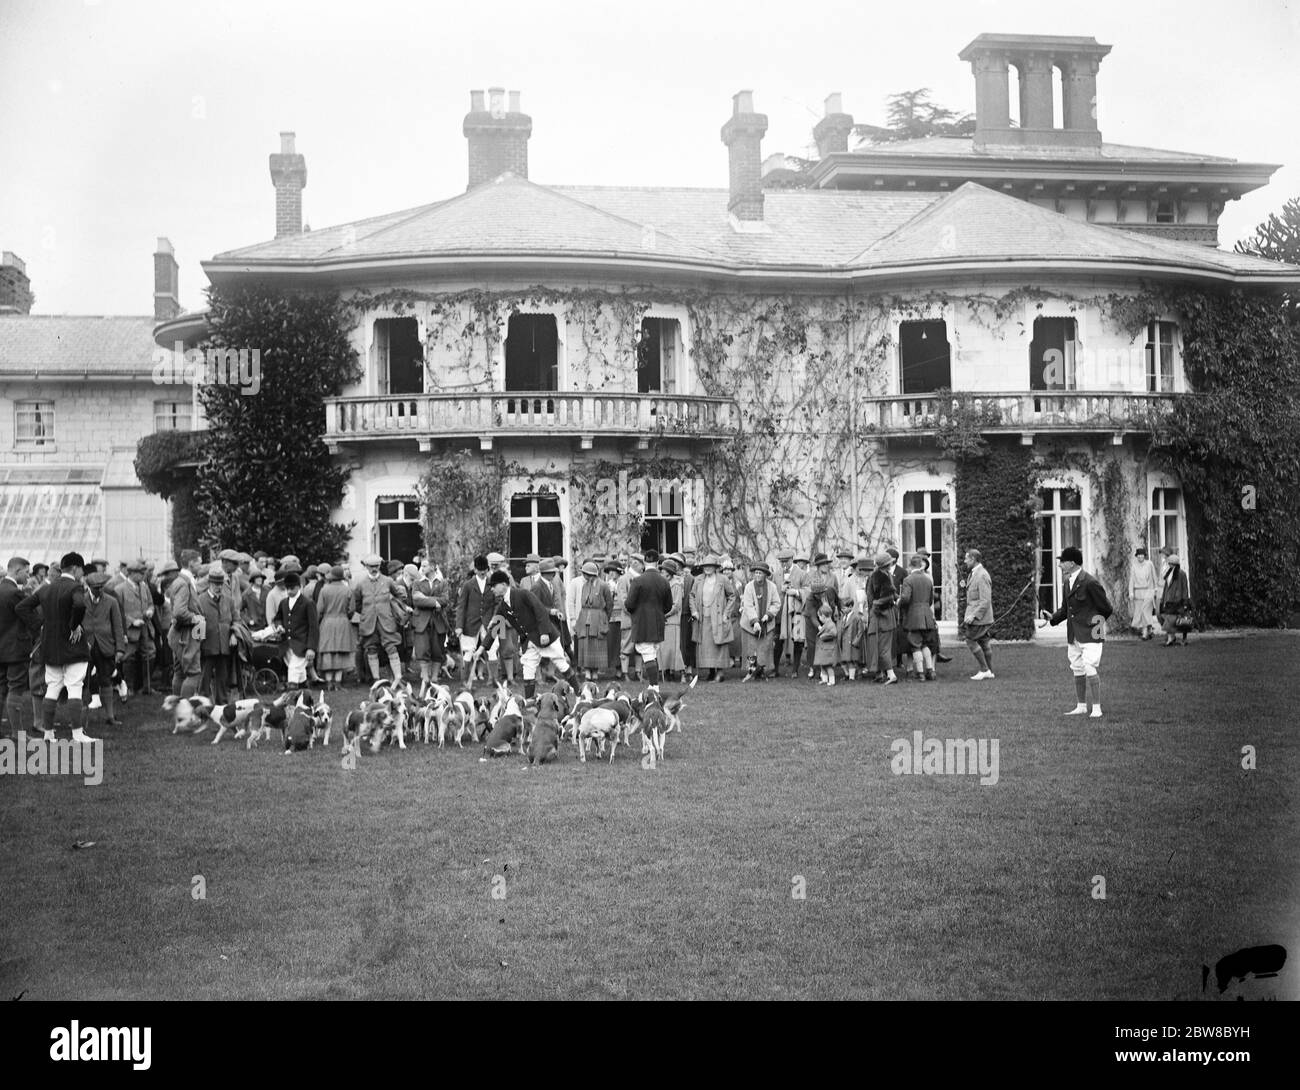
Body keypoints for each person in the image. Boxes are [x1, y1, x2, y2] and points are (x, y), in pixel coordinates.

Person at [15, 551, 93, 742]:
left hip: (50, 646)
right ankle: (77, 734)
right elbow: (80, 606)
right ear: (75, 568)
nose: (82, 574)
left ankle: (49, 734)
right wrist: (74, 626)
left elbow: (22, 607)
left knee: (52, 689)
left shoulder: (45, 588)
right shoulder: (75, 586)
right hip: (73, 646)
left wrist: (39, 626)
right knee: (74, 687)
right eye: (81, 570)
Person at [1048, 545, 1113, 717]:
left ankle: (1097, 708)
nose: (1060, 565)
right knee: (1077, 668)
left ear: (1071, 563)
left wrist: (1095, 627)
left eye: (1062, 562)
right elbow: (1065, 610)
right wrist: (1052, 619)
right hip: (1074, 634)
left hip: (1090, 632)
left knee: (1089, 666)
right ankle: (1081, 706)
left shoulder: (1090, 583)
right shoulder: (1067, 582)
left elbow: (1106, 608)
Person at [487, 569, 570, 699]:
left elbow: (540, 610)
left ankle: (578, 692)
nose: (492, 589)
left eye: (493, 586)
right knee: (528, 669)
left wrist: (544, 633)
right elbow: (495, 627)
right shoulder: (502, 605)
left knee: (561, 663)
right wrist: (481, 648)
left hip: (545, 635)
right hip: (528, 639)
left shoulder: (523, 593)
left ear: (503, 584)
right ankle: (529, 701)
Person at [353, 553, 408, 685]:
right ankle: (377, 680)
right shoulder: (361, 584)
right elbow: (357, 604)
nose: (374, 569)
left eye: (376, 566)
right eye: (371, 566)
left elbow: (399, 596)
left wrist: (394, 609)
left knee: (391, 647)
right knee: (371, 649)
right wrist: (367, 613)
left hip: (387, 622)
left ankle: (397, 678)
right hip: (369, 623)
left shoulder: (388, 581)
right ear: (366, 567)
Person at [82, 570, 127, 727]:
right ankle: (82, 720)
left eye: (101, 587)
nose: (99, 590)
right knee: (83, 682)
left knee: (106, 680)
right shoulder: (80, 600)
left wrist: (120, 648)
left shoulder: (111, 601)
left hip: (105, 646)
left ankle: (110, 716)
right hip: (85, 646)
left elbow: (118, 626)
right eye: (96, 588)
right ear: (89, 587)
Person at [624, 548, 674, 687]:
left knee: (648, 655)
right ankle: (653, 686)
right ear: (658, 563)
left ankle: (654, 687)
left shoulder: (638, 581)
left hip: (642, 623)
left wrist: (636, 611)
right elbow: (668, 606)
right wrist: (658, 612)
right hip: (658, 623)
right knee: (651, 653)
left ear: (644, 562)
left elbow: (629, 604)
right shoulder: (664, 581)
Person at [0, 556, 33, 736]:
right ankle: (18, 734)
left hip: (1, 648)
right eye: (26, 573)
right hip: (16, 650)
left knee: (1, 689)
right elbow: (32, 618)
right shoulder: (16, 593)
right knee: (16, 689)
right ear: (17, 570)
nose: (28, 577)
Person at [690, 555, 736, 682]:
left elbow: (732, 596)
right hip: (703, 617)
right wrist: (694, 610)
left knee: (719, 644)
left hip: (718, 617)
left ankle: (720, 673)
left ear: (715, 567)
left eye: (710, 566)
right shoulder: (698, 579)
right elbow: (692, 596)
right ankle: (711, 671)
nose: (707, 568)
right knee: (706, 646)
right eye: (705, 566)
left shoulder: (723, 579)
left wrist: (726, 613)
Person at [198, 562, 236, 704]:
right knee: (204, 681)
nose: (219, 587)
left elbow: (236, 620)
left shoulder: (229, 601)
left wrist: (233, 633)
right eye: (216, 584)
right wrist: (199, 644)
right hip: (206, 647)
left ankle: (222, 708)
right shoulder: (200, 600)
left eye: (221, 584)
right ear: (209, 584)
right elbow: (196, 624)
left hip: (224, 647)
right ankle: (202, 707)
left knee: (222, 680)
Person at [168, 549, 204, 698]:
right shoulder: (184, 583)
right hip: (186, 635)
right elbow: (179, 612)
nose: (201, 566)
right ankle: (186, 709)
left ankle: (178, 708)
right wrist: (195, 618)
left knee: (180, 672)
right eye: (199, 563)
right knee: (193, 673)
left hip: (180, 634)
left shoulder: (181, 580)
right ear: (191, 564)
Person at [276, 569, 320, 691]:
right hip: (287, 644)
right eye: (287, 588)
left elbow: (314, 627)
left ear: (299, 587)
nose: (289, 591)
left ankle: (291, 703)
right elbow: (278, 617)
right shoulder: (283, 603)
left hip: (302, 645)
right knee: (300, 674)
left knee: (294, 670)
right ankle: (305, 697)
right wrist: (279, 625)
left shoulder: (308, 603)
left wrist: (311, 647)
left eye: (292, 588)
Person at [570, 559, 613, 681]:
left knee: (597, 644)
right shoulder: (584, 585)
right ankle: (587, 671)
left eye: (586, 574)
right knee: (585, 644)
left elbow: (609, 605)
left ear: (592, 574)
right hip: (584, 618)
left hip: (598, 618)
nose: (584, 576)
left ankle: (595, 672)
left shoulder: (604, 586)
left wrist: (604, 618)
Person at [455, 555, 495, 685]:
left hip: (488, 622)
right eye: (480, 569)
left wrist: (492, 619)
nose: (483, 572)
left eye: (485, 569)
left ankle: (492, 679)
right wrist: (459, 626)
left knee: (491, 649)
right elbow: (461, 606)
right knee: (468, 651)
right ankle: (465, 680)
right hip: (470, 623)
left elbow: (496, 604)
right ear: (475, 570)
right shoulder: (468, 585)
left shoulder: (492, 583)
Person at [898, 554, 938, 681]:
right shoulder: (928, 580)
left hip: (914, 616)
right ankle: (930, 671)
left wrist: (898, 602)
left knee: (915, 644)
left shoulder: (908, 580)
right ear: (921, 565)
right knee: (925, 644)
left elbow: (905, 598)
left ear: (910, 566)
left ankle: (920, 673)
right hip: (927, 616)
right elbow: (931, 600)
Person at [119, 561, 156, 698]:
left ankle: (146, 687)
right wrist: (132, 621)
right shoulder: (120, 589)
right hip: (130, 631)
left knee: (150, 654)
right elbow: (118, 612)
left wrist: (150, 611)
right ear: (131, 573)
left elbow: (151, 604)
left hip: (146, 629)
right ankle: (128, 687)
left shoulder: (144, 587)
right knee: (128, 658)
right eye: (140, 573)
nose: (142, 576)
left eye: (143, 573)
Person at [316, 565, 356, 689]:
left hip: (327, 622)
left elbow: (319, 609)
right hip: (343, 622)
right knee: (341, 651)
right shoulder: (347, 590)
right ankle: (338, 682)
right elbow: (352, 609)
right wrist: (346, 616)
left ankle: (329, 682)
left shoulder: (324, 590)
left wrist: (318, 621)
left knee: (328, 651)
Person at [739, 560, 780, 680]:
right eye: (756, 573)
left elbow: (776, 603)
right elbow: (748, 605)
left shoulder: (772, 587)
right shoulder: (748, 587)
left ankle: (761, 670)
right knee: (751, 648)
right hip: (749, 625)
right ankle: (750, 672)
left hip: (767, 624)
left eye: (760, 573)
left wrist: (769, 614)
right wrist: (755, 621)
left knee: (764, 648)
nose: (757, 575)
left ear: (765, 575)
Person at [864, 552, 899, 685]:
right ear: (886, 564)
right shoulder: (882, 576)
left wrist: (877, 606)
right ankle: (882, 673)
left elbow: (879, 598)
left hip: (880, 616)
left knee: (881, 646)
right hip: (882, 615)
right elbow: (883, 597)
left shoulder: (881, 575)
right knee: (881, 646)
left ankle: (889, 674)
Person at [962, 548, 995, 680]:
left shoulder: (982, 575)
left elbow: (985, 600)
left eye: (966, 559)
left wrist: (973, 615)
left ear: (973, 559)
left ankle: (984, 669)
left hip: (979, 618)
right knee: (984, 642)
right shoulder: (974, 573)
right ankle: (990, 671)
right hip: (981, 617)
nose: (964, 561)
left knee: (970, 640)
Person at [658, 556, 687, 682]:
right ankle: (667, 672)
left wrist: (664, 614)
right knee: (664, 649)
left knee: (674, 650)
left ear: (669, 573)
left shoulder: (676, 585)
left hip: (673, 621)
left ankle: (682, 673)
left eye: (663, 571)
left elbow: (676, 606)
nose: (661, 573)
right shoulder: (663, 584)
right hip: (663, 622)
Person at [1158, 553, 1192, 646]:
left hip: (1177, 601)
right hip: (1169, 601)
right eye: (1169, 564)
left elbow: (1185, 588)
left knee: (1173, 619)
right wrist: (1163, 600)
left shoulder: (1181, 574)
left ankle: (1171, 639)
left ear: (1175, 564)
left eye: (1171, 564)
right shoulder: (1169, 573)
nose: (1170, 565)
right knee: (1167, 618)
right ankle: (1171, 637)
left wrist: (1185, 601)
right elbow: (1166, 588)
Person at [1129, 546, 1159, 640]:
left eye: (1142, 555)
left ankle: (1145, 633)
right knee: (1140, 613)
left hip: (1148, 591)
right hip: (1138, 592)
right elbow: (1132, 580)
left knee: (1146, 612)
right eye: (1138, 555)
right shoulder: (1134, 566)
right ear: (1136, 556)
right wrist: (1131, 592)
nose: (1140, 557)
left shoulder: (1149, 564)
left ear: (1144, 556)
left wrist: (1156, 588)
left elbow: (1154, 576)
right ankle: (1147, 631)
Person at [814, 603, 839, 685]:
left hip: (828, 650)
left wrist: (823, 636)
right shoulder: (826, 624)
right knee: (823, 665)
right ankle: (825, 679)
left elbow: (834, 633)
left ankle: (832, 681)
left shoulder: (831, 624)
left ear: (823, 616)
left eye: (820, 617)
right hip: (824, 650)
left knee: (828, 666)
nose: (820, 619)